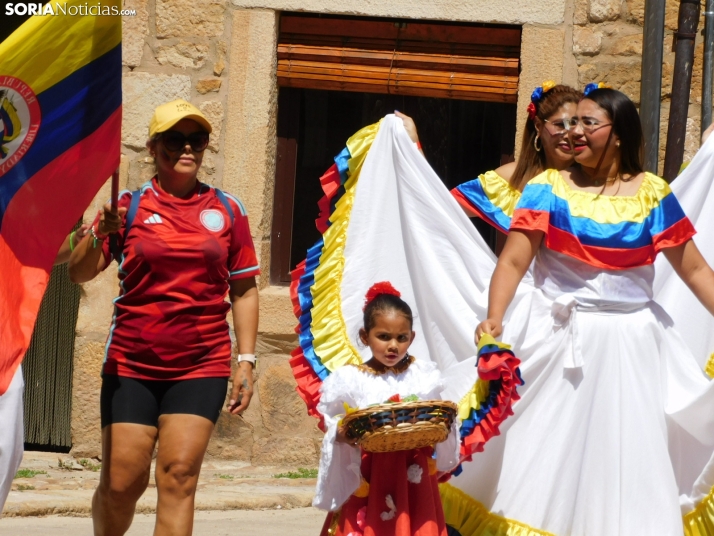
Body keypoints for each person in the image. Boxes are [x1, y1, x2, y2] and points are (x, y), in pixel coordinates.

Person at [466, 86, 714, 533]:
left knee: (629, 453)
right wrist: (495, 318)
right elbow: (514, 260)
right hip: (560, 339)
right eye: (569, 123)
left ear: (617, 133)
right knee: (546, 449)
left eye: (586, 123)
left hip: (634, 346)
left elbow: (695, 270)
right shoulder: (547, 188)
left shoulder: (652, 194)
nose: (574, 132)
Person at [68, 99, 260, 536]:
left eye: (197, 139)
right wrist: (99, 232)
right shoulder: (128, 206)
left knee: (179, 476)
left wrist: (246, 360)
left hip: (201, 363)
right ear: (154, 147)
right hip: (132, 364)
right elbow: (79, 271)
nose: (187, 148)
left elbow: (244, 288)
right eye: (175, 139)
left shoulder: (228, 210)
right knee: (120, 484)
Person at [314, 282, 459, 536]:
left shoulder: (422, 375)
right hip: (372, 469)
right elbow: (332, 417)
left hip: (413, 467)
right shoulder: (351, 378)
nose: (393, 345)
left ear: (411, 338)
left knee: (413, 521)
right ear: (364, 336)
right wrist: (342, 431)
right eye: (383, 336)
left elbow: (437, 416)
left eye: (401, 338)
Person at [397, 82, 582, 236]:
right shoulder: (509, 179)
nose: (569, 134)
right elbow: (441, 209)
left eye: (576, 125)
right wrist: (413, 146)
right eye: (560, 125)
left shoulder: (598, 183)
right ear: (539, 126)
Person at [0, 224, 88, 515]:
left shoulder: (9, 203)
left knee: (6, 446)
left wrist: (78, 238)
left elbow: (35, 251)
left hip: (4, 340)